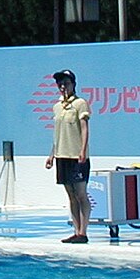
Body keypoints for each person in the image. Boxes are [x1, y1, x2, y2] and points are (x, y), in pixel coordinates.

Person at [45, 69, 91, 243]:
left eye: (66, 83)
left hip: (76, 156)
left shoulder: (80, 104)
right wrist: (52, 155)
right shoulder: (57, 107)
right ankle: (76, 230)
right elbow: (58, 135)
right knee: (70, 195)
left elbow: (85, 129)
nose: (63, 87)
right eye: (60, 84)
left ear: (73, 84)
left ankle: (84, 232)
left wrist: (83, 151)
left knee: (80, 194)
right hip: (61, 155)